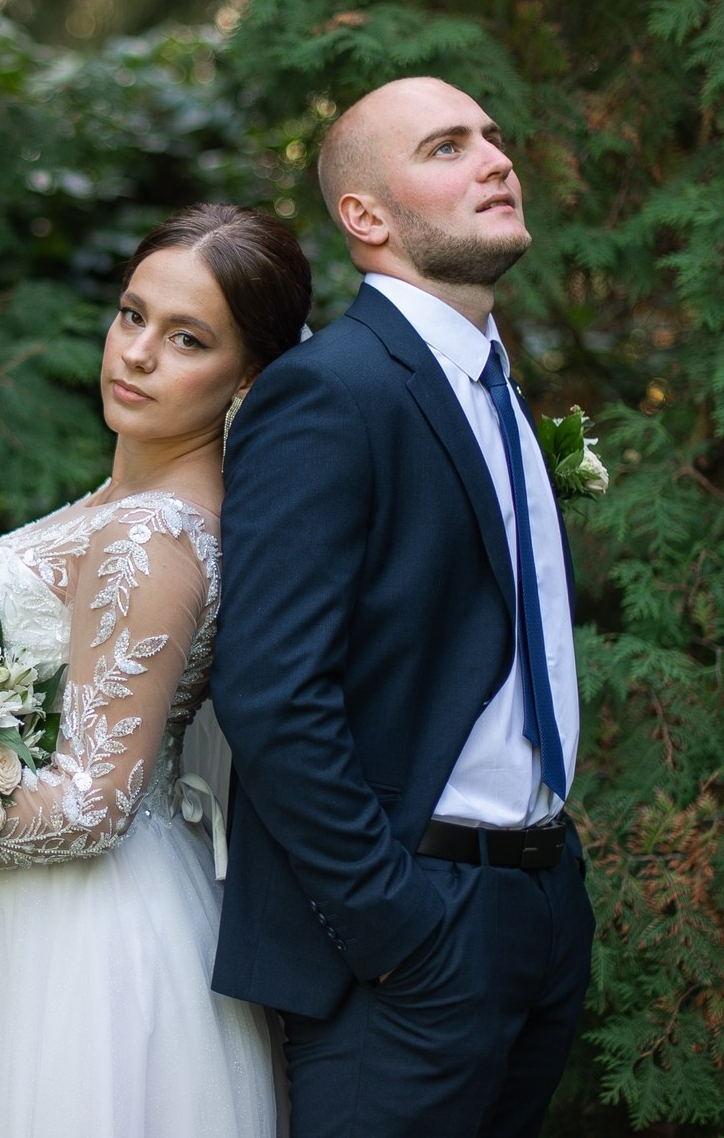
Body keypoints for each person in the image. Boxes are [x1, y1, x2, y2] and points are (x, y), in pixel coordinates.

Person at [0, 204, 312, 1138]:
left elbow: (95, 803)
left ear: (249, 375)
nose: (137, 353)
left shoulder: (153, 533)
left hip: (76, 942)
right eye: (133, 314)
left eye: (187, 338)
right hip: (15, 915)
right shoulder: (124, 501)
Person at [211, 76, 594, 1138]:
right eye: (446, 146)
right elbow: (271, 691)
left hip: (539, 906)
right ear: (365, 217)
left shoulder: (497, 389)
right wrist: (392, 922)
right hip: (411, 939)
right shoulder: (329, 390)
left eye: (493, 136)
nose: (496, 159)